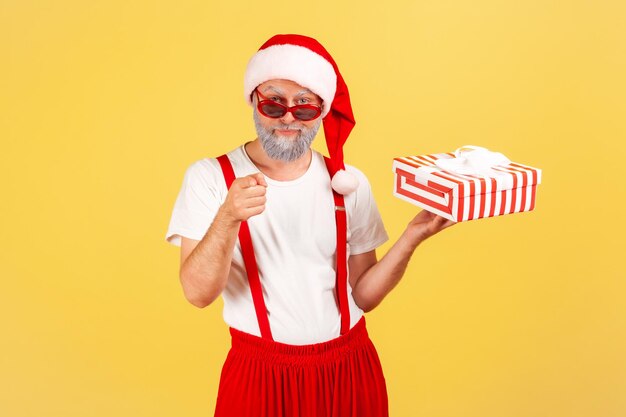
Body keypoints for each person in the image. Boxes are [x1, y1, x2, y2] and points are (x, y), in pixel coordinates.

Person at [165, 34, 455, 417]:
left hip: (349, 369)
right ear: (253, 100)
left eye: (304, 106)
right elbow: (197, 294)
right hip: (259, 373)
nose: (288, 117)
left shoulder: (346, 182)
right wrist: (228, 217)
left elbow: (364, 296)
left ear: (321, 112)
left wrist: (413, 236)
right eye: (274, 102)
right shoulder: (210, 177)